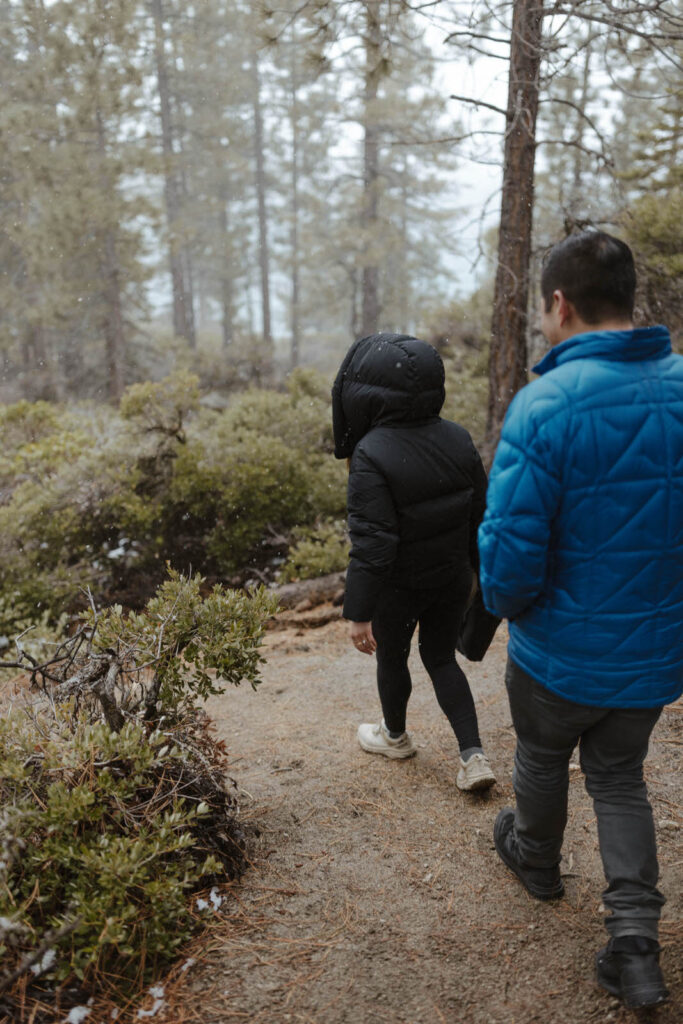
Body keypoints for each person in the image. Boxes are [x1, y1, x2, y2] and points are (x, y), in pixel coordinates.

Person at [478, 231, 683, 1008]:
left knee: (538, 754)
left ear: (558, 305)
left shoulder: (544, 405)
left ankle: (534, 857)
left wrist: (501, 607)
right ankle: (633, 947)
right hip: (651, 658)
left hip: (556, 652)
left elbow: (508, 559)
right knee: (619, 778)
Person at [332, 332, 495, 791]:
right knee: (441, 658)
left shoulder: (371, 451)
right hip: (450, 580)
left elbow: (374, 542)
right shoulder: (458, 437)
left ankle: (395, 736)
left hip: (399, 588)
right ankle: (473, 755)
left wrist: (359, 612)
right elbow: (480, 513)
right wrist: (479, 574)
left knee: (394, 657)